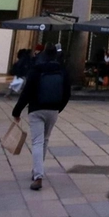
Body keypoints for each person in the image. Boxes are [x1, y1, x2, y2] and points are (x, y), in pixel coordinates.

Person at [12, 44, 70, 189]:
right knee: (44, 140)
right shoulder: (62, 70)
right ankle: (37, 170)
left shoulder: (36, 69)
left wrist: (17, 111)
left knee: (37, 142)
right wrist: (58, 108)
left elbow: (26, 93)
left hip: (36, 109)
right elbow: (67, 93)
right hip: (53, 109)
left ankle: (38, 175)